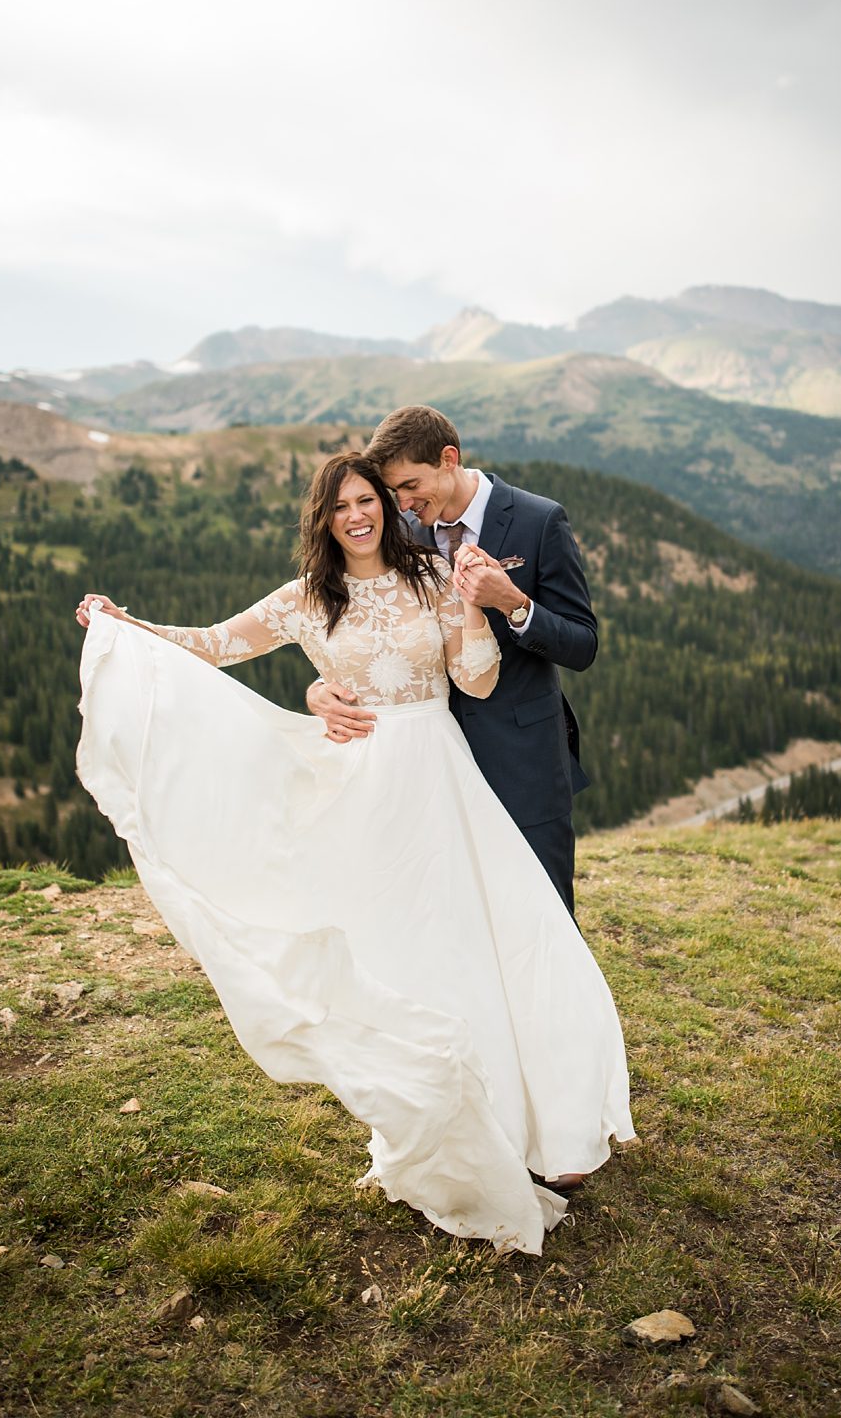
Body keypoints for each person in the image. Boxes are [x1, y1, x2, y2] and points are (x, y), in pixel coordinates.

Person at [74, 452, 634, 1254]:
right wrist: (129, 627)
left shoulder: (432, 576)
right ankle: (434, 1125)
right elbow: (214, 645)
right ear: (324, 519)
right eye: (341, 506)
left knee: (490, 940)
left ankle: (532, 1123)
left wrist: (474, 611)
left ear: (386, 506)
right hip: (364, 790)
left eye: (368, 500)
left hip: (440, 778)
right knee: (399, 956)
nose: (358, 516)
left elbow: (474, 685)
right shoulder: (306, 598)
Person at [308, 405, 599, 913]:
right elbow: (364, 627)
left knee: (542, 911)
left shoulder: (538, 520)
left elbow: (582, 644)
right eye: (394, 491)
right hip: (430, 768)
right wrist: (319, 689)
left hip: (521, 758)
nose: (402, 501)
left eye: (411, 485)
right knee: (453, 916)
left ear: (448, 459)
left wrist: (513, 602)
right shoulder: (400, 529)